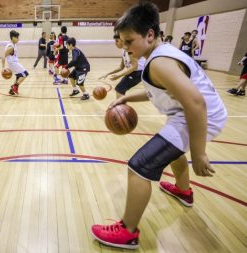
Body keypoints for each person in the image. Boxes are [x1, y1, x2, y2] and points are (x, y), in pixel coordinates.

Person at [91, 2, 227, 249]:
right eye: (122, 41)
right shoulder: (160, 54)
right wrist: (128, 97)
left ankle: (128, 231)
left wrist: (199, 152)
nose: (125, 47)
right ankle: (183, 191)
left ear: (150, 34)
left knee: (139, 166)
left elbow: (196, 103)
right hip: (190, 113)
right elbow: (160, 91)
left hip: (198, 116)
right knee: (173, 152)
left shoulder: (160, 62)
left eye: (129, 41)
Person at [99, 34, 146, 98]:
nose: (115, 43)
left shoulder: (130, 50)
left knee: (119, 89)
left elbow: (134, 66)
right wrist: (107, 73)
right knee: (120, 89)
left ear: (123, 41)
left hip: (138, 72)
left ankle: (120, 107)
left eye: (117, 41)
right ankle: (120, 106)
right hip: (133, 72)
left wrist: (119, 75)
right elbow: (121, 67)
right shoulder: (124, 50)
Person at [2, 30, 29, 95]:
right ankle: (15, 86)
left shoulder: (13, 44)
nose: (18, 39)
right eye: (16, 37)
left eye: (18, 37)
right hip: (13, 63)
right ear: (12, 37)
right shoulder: (10, 47)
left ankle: (12, 90)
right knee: (25, 74)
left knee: (19, 76)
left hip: (14, 63)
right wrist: (3, 67)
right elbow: (3, 56)